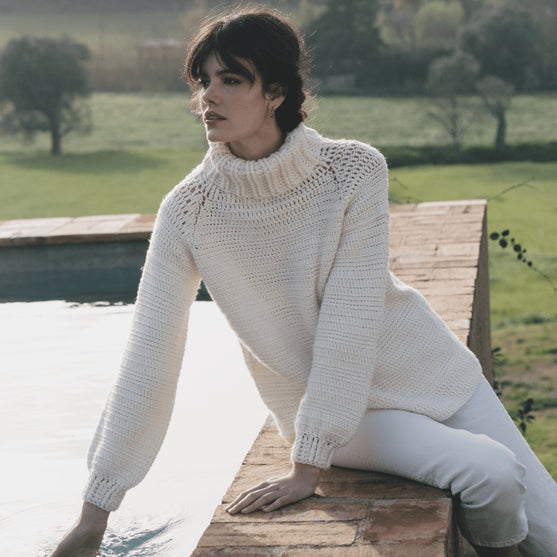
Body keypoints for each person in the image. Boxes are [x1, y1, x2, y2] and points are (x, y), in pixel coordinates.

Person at [51, 8, 557, 557]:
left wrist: (306, 468)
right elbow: (148, 359)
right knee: (492, 473)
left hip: (432, 371)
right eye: (203, 80)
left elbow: (350, 320)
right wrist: (95, 514)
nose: (207, 97)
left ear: (275, 92)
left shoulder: (354, 171)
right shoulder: (187, 213)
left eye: (230, 79)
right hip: (345, 418)